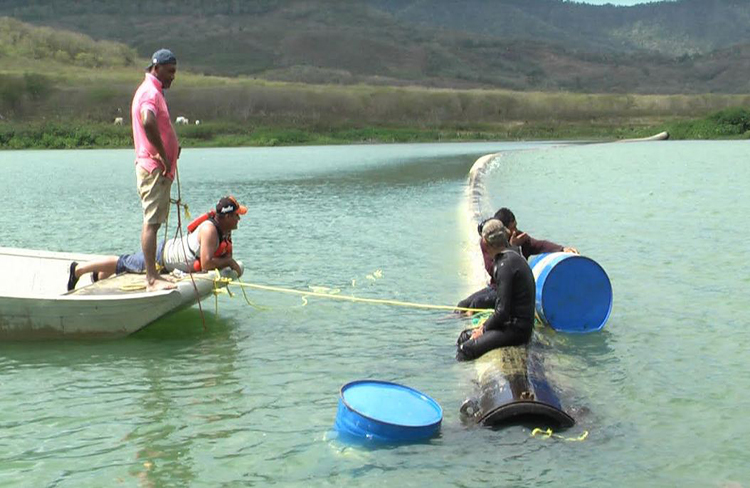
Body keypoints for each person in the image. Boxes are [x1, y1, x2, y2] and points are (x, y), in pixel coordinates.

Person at [67, 196, 246, 290]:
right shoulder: (210, 230)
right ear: (227, 216)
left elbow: (221, 256)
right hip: (162, 256)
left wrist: (229, 261)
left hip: (169, 261)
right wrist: (230, 263)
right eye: (237, 215)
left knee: (128, 265)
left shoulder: (225, 230)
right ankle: (77, 270)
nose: (239, 219)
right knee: (124, 263)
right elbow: (207, 263)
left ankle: (98, 276)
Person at [457, 207, 578, 311]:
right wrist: (511, 247)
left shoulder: (519, 238)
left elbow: (540, 245)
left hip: (512, 291)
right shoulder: (488, 243)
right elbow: (492, 270)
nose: (515, 231)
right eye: (512, 228)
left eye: (516, 226)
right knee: (462, 305)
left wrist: (562, 249)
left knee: (476, 304)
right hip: (496, 287)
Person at [132, 48, 180, 292]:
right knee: (151, 222)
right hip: (153, 167)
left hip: (159, 167)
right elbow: (147, 120)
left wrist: (173, 149)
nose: (173, 76)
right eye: (170, 71)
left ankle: (154, 273)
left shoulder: (154, 91)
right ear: (156, 67)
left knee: (155, 222)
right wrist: (163, 152)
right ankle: (151, 277)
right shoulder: (150, 92)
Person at [456, 220, 536, 361]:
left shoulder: (504, 265)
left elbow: (502, 312)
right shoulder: (512, 255)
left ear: (485, 243)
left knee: (466, 349)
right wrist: (484, 327)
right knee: (464, 336)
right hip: (514, 324)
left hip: (517, 329)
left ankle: (464, 380)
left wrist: (483, 329)